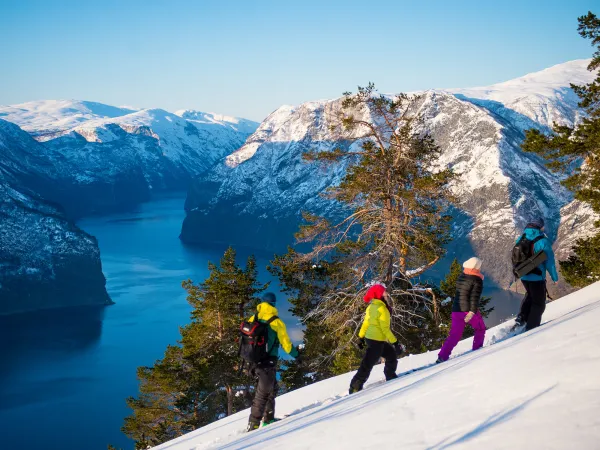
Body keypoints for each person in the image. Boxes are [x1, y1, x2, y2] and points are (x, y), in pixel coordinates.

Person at [246, 292, 300, 432]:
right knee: (263, 392)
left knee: (272, 388)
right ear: (274, 305)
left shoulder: (254, 317)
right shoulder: (276, 322)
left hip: (253, 360)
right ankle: (253, 424)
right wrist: (297, 355)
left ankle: (268, 418)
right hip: (267, 362)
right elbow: (286, 344)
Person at [349, 284, 404, 394]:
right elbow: (385, 329)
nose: (386, 292)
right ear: (379, 294)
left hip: (372, 339)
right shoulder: (382, 309)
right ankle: (355, 386)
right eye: (383, 291)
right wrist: (396, 342)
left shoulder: (371, 306)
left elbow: (366, 323)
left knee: (391, 355)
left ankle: (390, 376)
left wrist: (360, 337)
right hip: (376, 341)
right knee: (368, 363)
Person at [437, 257, 486, 363]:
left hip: (456, 310)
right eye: (479, 266)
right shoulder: (477, 280)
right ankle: (477, 351)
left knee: (454, 335)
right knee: (480, 329)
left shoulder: (462, 276)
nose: (480, 268)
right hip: (467, 311)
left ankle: (442, 356)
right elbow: (474, 297)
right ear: (476, 267)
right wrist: (472, 312)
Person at [514, 218, 559, 331]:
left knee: (529, 295)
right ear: (540, 227)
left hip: (523, 274)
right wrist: (554, 277)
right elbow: (549, 262)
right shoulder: (543, 240)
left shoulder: (521, 237)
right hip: (537, 276)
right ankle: (532, 328)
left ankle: (521, 318)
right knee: (538, 303)